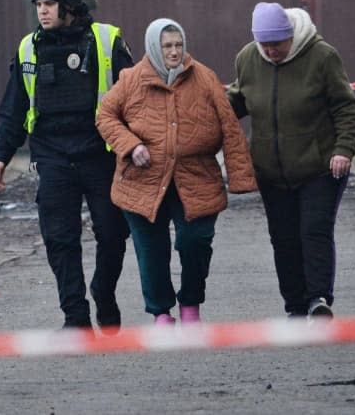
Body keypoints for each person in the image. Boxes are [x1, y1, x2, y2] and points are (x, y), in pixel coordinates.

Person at [0, 0, 133, 330]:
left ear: (68, 5)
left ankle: (104, 291)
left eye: (49, 4)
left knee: (113, 233)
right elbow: (13, 108)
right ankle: (76, 317)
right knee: (60, 239)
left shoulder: (106, 41)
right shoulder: (28, 48)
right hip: (52, 157)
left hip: (101, 153)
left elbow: (135, 99)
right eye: (38, 5)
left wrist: (135, 147)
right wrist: (0, 156)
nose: (42, 11)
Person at [96, 18, 256, 325]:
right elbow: (105, 116)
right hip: (143, 181)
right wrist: (130, 145)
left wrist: (240, 177)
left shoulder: (204, 77)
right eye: (167, 46)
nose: (174, 52)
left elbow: (230, 128)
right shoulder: (131, 79)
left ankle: (191, 303)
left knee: (195, 241)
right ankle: (160, 313)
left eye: (178, 45)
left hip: (196, 177)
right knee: (151, 250)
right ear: (154, 47)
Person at [227, 2, 355, 319]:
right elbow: (238, 99)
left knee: (314, 230)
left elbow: (345, 106)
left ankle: (318, 299)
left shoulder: (322, 56)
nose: (271, 51)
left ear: (290, 37)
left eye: (277, 44)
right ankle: (295, 306)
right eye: (265, 45)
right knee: (283, 238)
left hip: (320, 166)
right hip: (271, 170)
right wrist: (208, 113)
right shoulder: (248, 58)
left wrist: (343, 149)